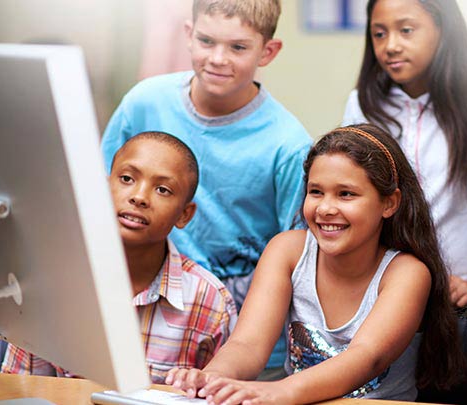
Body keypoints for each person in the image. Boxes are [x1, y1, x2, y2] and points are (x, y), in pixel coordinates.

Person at [165, 124, 464, 404]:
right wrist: (211, 379)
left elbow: (366, 357)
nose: (326, 208)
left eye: (346, 194)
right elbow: (248, 345)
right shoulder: (287, 251)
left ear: (389, 203)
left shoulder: (407, 272)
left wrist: (278, 392)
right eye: (316, 191)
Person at [100, 0, 313, 374]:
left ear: (269, 51)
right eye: (206, 40)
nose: (218, 58)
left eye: (238, 47)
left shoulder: (288, 144)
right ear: (188, 35)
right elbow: (96, 195)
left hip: (247, 338)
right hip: (145, 321)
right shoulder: (144, 102)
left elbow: (297, 250)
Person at [1, 132, 237, 383]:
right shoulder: (50, 283)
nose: (139, 197)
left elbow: (219, 393)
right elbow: (22, 390)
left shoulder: (210, 301)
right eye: (127, 178)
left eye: (163, 189)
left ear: (184, 215)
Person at [342, 0, 467, 308]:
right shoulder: (363, 103)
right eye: (379, 34)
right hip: (391, 289)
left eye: (406, 30)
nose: (391, 45)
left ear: (442, 29)